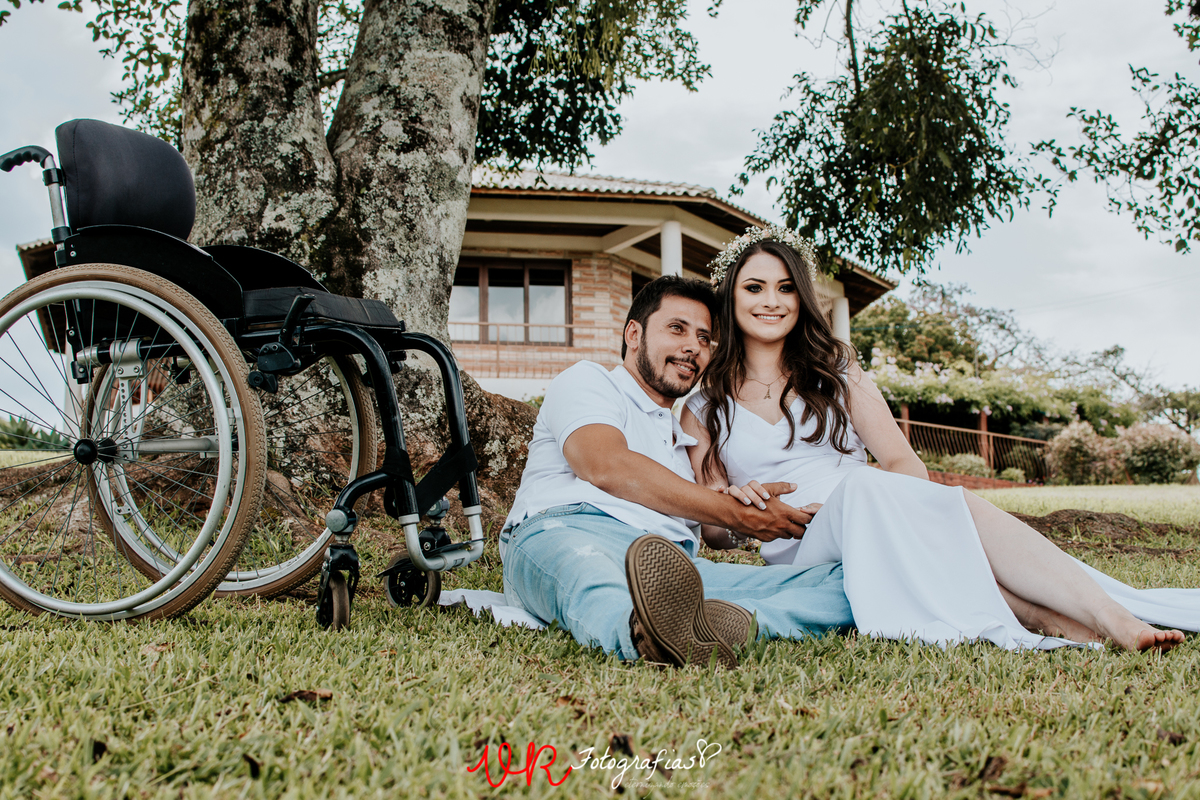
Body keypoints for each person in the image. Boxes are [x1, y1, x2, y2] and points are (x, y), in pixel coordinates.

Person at [680, 225, 1199, 652]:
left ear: (802, 297)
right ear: (731, 297)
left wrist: (900, 507)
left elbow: (903, 462)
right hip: (802, 544)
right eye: (755, 288)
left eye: (786, 288)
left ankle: (1096, 616)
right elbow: (716, 531)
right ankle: (1069, 617)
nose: (772, 301)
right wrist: (744, 513)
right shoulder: (703, 406)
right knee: (865, 489)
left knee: (894, 493)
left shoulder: (836, 369)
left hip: (878, 504)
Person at [500, 275, 852, 669]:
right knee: (592, 581)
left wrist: (753, 509)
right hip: (568, 530)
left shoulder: (684, 442)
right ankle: (642, 636)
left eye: (704, 338)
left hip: (674, 568)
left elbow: (714, 529)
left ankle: (726, 626)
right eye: (677, 328)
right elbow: (605, 465)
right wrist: (737, 514)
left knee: (843, 581)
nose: (693, 347)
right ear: (634, 334)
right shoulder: (589, 381)